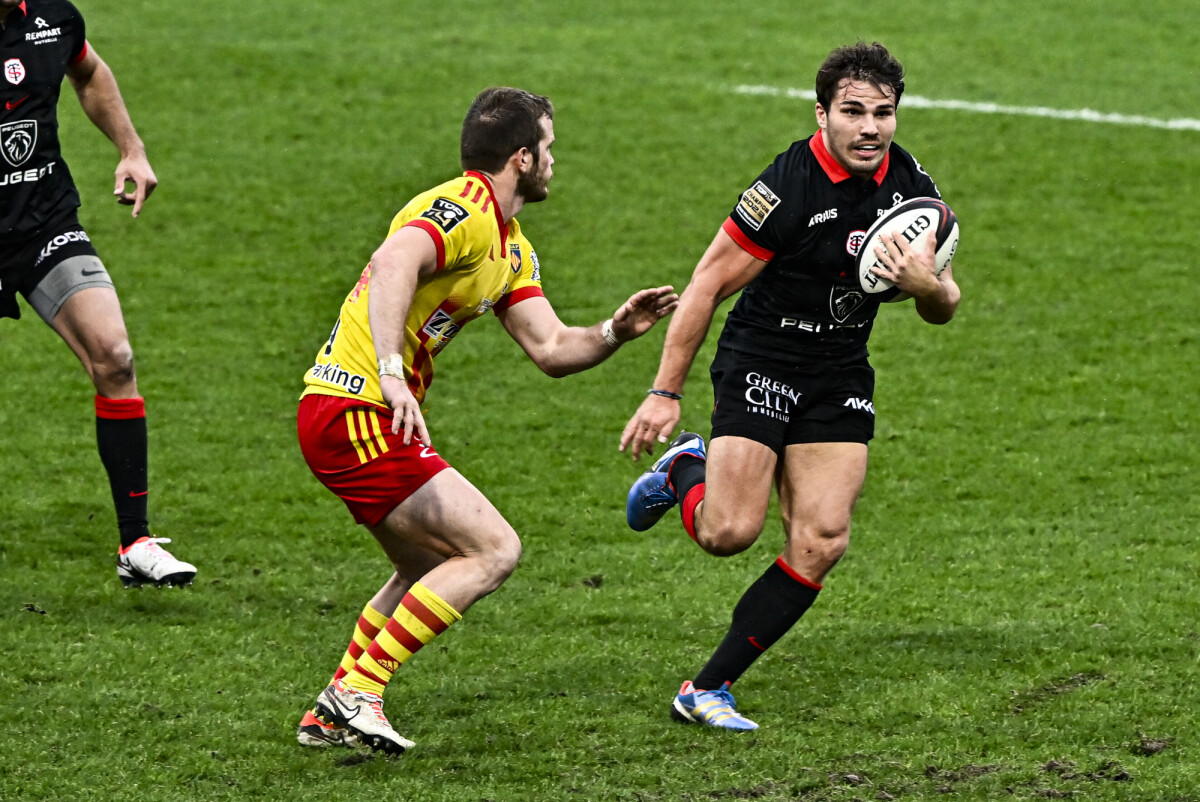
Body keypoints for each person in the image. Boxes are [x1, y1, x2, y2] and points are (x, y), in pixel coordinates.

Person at [296, 86, 677, 754]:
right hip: (357, 407)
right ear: (523, 158)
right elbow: (392, 262)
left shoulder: (510, 247)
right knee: (494, 549)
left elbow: (552, 350)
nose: (556, 161)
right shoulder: (463, 209)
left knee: (425, 564)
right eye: (550, 148)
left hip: (349, 414)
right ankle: (360, 692)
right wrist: (390, 371)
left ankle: (332, 709)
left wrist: (616, 330)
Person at [621, 42, 961, 731]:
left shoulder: (911, 192)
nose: (870, 128)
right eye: (854, 112)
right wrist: (664, 390)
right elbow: (707, 284)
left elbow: (945, 302)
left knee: (823, 539)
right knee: (728, 532)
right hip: (762, 361)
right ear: (824, 113)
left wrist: (930, 287)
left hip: (837, 373)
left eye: (884, 113)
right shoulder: (788, 187)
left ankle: (706, 688)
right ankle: (686, 466)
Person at [1, 0, 195, 587]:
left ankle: (135, 542)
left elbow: (86, 70)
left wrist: (131, 147)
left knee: (115, 357)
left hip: (42, 221)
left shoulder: (53, 17)